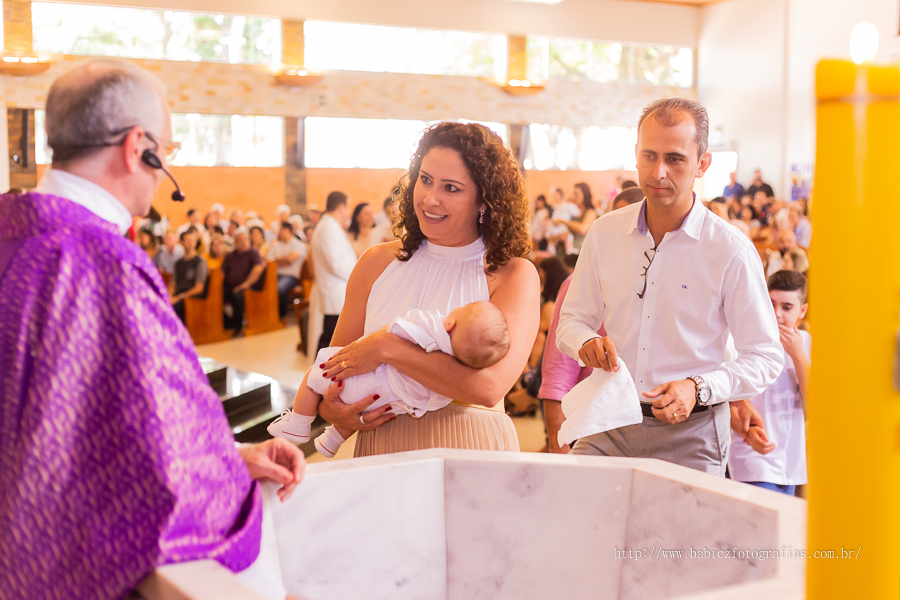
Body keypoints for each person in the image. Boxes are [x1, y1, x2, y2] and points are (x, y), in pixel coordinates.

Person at [0, 58, 305, 600]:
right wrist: (224, 473)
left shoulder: (11, 228)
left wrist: (230, 453)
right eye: (168, 149)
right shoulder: (101, 260)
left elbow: (57, 415)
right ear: (138, 146)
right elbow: (162, 425)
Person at [556, 98, 783, 476]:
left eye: (675, 159)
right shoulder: (605, 232)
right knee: (578, 522)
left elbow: (765, 356)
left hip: (691, 431)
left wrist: (698, 387)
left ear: (702, 164)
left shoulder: (730, 249)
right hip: (610, 415)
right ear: (636, 155)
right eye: (649, 156)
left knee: (679, 538)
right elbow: (572, 320)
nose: (658, 171)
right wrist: (585, 344)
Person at [311, 122, 540, 456]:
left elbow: (489, 386)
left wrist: (386, 347)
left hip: (469, 446)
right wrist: (329, 406)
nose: (430, 199)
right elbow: (333, 367)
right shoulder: (376, 263)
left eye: (451, 188)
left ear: (484, 202)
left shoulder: (511, 274)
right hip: (383, 445)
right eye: (426, 179)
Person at [271, 301, 509, 457]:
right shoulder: (455, 369)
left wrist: (381, 344)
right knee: (371, 407)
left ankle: (299, 423)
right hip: (394, 403)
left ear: (450, 322)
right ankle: (332, 440)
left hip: (370, 380)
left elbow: (396, 330)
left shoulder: (434, 325)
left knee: (316, 372)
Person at [729, 270, 810, 496]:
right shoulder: (744, 340)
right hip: (752, 459)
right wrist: (746, 433)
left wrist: (798, 356)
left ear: (802, 311)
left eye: (786, 307)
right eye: (771, 304)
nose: (776, 314)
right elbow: (730, 402)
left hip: (790, 464)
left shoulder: (806, 343)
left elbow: (814, 406)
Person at [308, 191, 357, 353]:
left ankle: (322, 373)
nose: (349, 212)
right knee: (329, 341)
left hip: (337, 293)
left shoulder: (329, 225)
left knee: (331, 340)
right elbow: (336, 264)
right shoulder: (328, 228)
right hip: (335, 294)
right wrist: (359, 273)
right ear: (341, 207)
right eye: (348, 207)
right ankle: (318, 374)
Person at [221, 228, 265, 334]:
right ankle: (226, 323)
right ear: (235, 243)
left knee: (237, 295)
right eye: (240, 240)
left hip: (248, 286)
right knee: (215, 295)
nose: (243, 242)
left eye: (245, 239)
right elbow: (222, 272)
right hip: (229, 286)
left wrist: (245, 284)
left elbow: (258, 269)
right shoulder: (230, 256)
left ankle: (237, 325)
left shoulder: (253, 254)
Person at [268, 221, 308, 318]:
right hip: (274, 274)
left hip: (290, 276)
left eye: (280, 230)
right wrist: (284, 260)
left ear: (286, 230)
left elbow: (290, 259)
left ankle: (281, 316)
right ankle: (268, 317)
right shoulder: (276, 245)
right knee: (263, 288)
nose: (279, 232)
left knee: (279, 289)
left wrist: (278, 260)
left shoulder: (298, 244)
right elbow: (269, 260)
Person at [171, 228, 209, 322]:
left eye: (193, 241)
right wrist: (168, 296)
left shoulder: (200, 262)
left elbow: (199, 288)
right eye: (187, 241)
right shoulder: (178, 263)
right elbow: (173, 283)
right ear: (181, 243)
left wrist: (179, 297)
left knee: (176, 306)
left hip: (192, 298)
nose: (190, 243)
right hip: (178, 296)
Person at [551, 182, 597, 252]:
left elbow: (582, 229)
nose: (573, 197)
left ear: (584, 195)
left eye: (576, 194)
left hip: (578, 252)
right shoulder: (570, 210)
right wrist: (557, 237)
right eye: (573, 194)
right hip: (562, 250)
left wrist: (562, 221)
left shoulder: (590, 212)